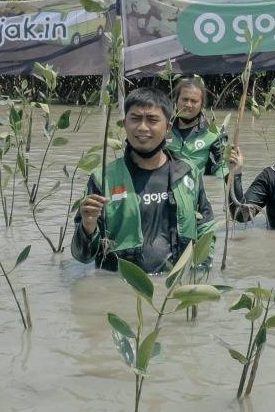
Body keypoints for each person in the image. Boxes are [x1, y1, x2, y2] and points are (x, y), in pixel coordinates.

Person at [73, 87, 216, 273]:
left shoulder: (188, 173)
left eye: (152, 120)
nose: (142, 127)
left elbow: (205, 229)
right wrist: (88, 226)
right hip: (121, 287)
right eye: (135, 119)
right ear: (124, 124)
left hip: (174, 288)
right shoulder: (103, 179)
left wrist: (200, 272)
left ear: (168, 128)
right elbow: (83, 256)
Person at [167, 76, 228, 180]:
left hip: (195, 188)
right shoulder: (161, 129)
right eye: (185, 99)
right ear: (176, 101)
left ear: (202, 105)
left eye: (194, 101)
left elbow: (223, 167)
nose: (188, 105)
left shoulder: (215, 134)